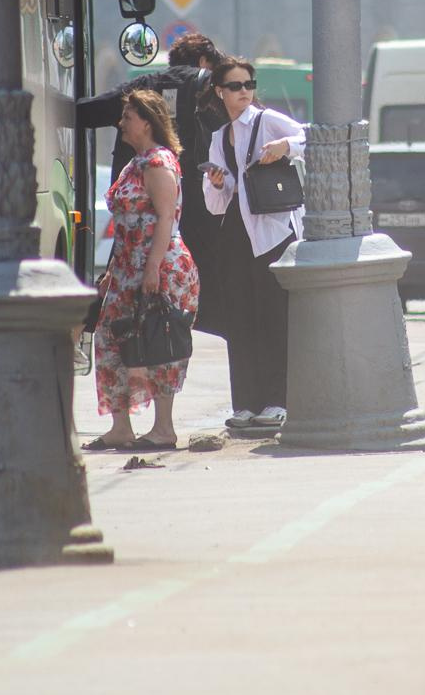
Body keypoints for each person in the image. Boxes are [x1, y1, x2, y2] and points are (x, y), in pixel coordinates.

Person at [76, 33, 228, 350]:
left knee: (135, 308)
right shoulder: (213, 88)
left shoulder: (142, 89)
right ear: (204, 63)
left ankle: (141, 355)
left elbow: (87, 112)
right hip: (202, 215)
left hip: (138, 230)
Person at [86, 90, 201, 452]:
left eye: (128, 116)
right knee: (108, 340)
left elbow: (166, 217)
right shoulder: (134, 162)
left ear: (147, 122)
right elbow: (126, 222)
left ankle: (163, 429)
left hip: (161, 266)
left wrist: (151, 269)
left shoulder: (157, 162)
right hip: (126, 269)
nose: (122, 123)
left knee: (158, 341)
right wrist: (113, 270)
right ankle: (121, 427)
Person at [201, 56, 305, 434]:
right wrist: (215, 182)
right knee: (240, 320)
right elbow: (218, 203)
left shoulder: (267, 120)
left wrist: (285, 146)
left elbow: (312, 137)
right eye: (235, 86)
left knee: (273, 317)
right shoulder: (218, 138)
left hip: (274, 233)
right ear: (219, 92)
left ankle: (278, 400)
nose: (244, 92)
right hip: (236, 235)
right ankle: (245, 403)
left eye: (249, 84)